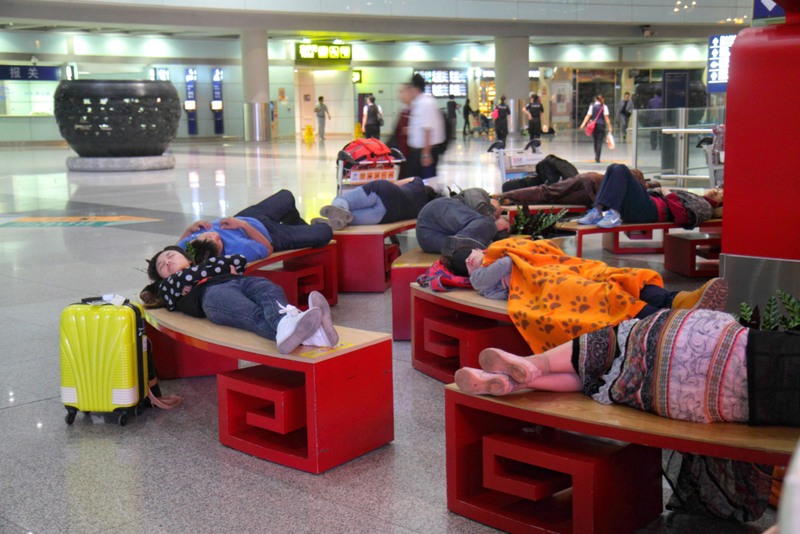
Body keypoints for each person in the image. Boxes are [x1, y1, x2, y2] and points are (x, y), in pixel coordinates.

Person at [454, 306, 800, 522]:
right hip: (689, 402)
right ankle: (508, 381)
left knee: (622, 339)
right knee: (600, 382)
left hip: (702, 345)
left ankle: (530, 366)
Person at [441, 237, 727, 353]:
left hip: (556, 271)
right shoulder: (479, 276)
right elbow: (504, 261)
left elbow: (528, 250)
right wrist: (508, 257)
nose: (485, 251)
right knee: (601, 295)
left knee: (611, 276)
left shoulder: (494, 262)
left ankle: (678, 301)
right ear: (470, 261)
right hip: (547, 288)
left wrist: (516, 255)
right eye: (480, 252)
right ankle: (673, 320)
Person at [143, 246, 338, 355]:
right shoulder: (170, 287)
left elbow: (237, 259)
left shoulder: (206, 266)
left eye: (170, 256)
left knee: (269, 290)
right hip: (211, 294)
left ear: (187, 258)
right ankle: (309, 331)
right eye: (162, 265)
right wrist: (156, 289)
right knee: (252, 315)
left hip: (242, 281)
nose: (167, 262)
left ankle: (299, 328)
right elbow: (156, 290)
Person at [176, 190, 333, 262]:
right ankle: (301, 230)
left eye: (206, 234)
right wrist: (243, 225)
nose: (214, 233)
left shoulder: (191, 246)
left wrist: (190, 228)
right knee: (325, 232)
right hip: (270, 234)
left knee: (287, 196)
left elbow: (175, 248)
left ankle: (299, 226)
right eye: (216, 239)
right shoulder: (239, 250)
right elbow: (268, 248)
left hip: (250, 215)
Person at [576, 163, 721, 229]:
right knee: (612, 168)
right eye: (718, 189)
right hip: (647, 205)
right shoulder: (699, 199)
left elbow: (683, 218)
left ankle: (612, 214)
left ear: (720, 204)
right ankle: (598, 210)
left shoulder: (705, 207)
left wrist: (669, 194)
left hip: (651, 211)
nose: (716, 191)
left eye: (720, 195)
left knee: (621, 169)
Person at [313, 177, 436, 229]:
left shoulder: (418, 182)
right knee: (349, 219)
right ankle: (329, 224)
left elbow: (396, 183)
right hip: (388, 215)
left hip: (384, 191)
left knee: (343, 200)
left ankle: (338, 209)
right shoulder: (422, 210)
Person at [416, 188, 510, 255]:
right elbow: (479, 206)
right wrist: (493, 222)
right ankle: (460, 246)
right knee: (487, 224)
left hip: (430, 239)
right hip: (435, 212)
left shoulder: (476, 227)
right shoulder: (478, 193)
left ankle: (459, 249)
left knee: (483, 244)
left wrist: (497, 228)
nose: (497, 213)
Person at [495, 168, 653, 207]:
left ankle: (506, 197)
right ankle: (507, 198)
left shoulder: (634, 179)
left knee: (549, 195)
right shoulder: (638, 184)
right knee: (550, 197)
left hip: (590, 183)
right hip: (592, 192)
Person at [406, 73, 446, 179]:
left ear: (416, 88)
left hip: (425, 151)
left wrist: (426, 154)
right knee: (421, 183)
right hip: (420, 151)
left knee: (427, 183)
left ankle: (433, 195)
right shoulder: (419, 103)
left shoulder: (426, 103)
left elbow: (428, 129)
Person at [579, 94, 612, 163]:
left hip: (594, 126)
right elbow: (606, 118)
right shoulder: (604, 107)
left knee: (595, 141)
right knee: (599, 141)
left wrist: (583, 124)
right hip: (601, 125)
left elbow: (588, 116)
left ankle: (596, 155)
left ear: (595, 100)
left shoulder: (592, 106)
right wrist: (610, 127)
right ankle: (598, 157)